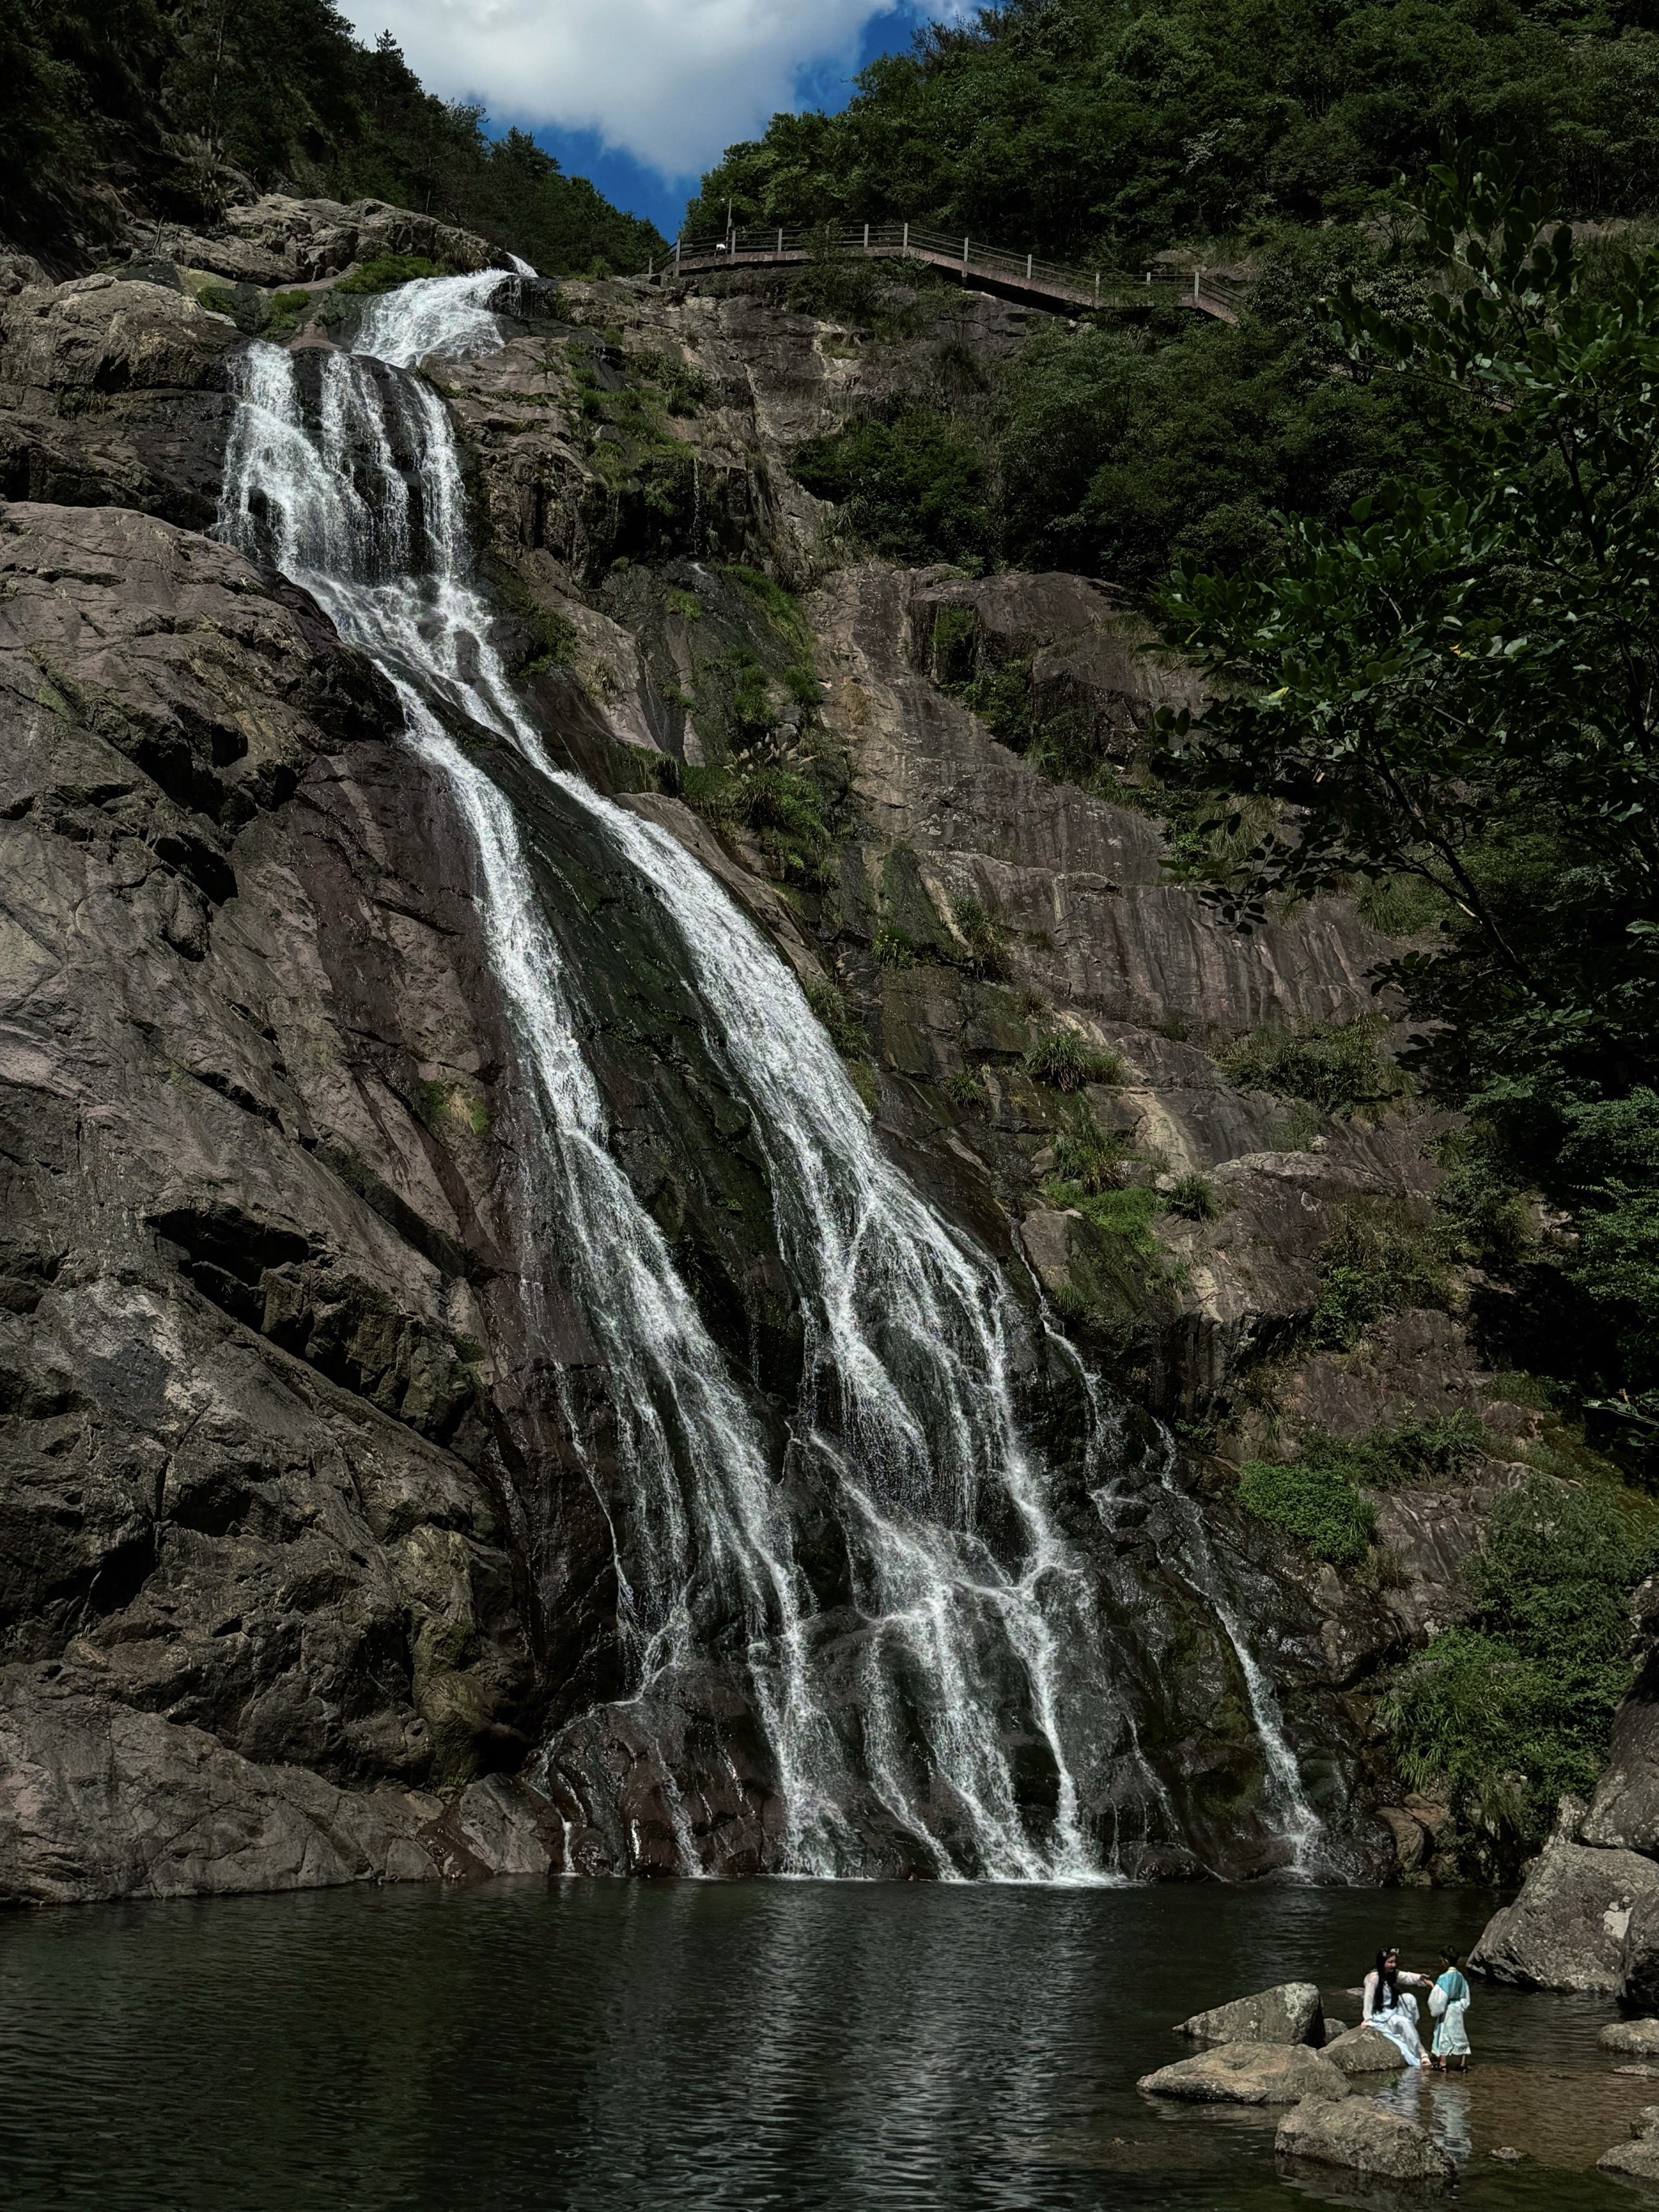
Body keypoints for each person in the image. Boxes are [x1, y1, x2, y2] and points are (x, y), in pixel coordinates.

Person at [1362, 1945, 1431, 2068]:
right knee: (1403, 2021)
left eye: (1394, 1962)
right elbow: (1369, 1997)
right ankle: (1421, 2053)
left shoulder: (1392, 1973)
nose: (1393, 1965)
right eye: (1390, 1962)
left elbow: (1406, 1976)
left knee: (1409, 1998)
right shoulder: (1373, 1978)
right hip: (1382, 2014)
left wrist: (1420, 1978)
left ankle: (1411, 2034)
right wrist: (1367, 2019)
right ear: (1382, 1962)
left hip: (1393, 2009)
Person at [1429, 1949, 1472, 2073]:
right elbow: (1465, 1994)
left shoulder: (1444, 1978)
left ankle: (1443, 2063)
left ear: (1446, 1961)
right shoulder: (1460, 1977)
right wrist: (1462, 2006)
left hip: (1448, 2008)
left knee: (1444, 2034)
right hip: (1457, 2008)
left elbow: (1439, 1997)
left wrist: (1437, 2008)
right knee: (1460, 2034)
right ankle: (1462, 2063)